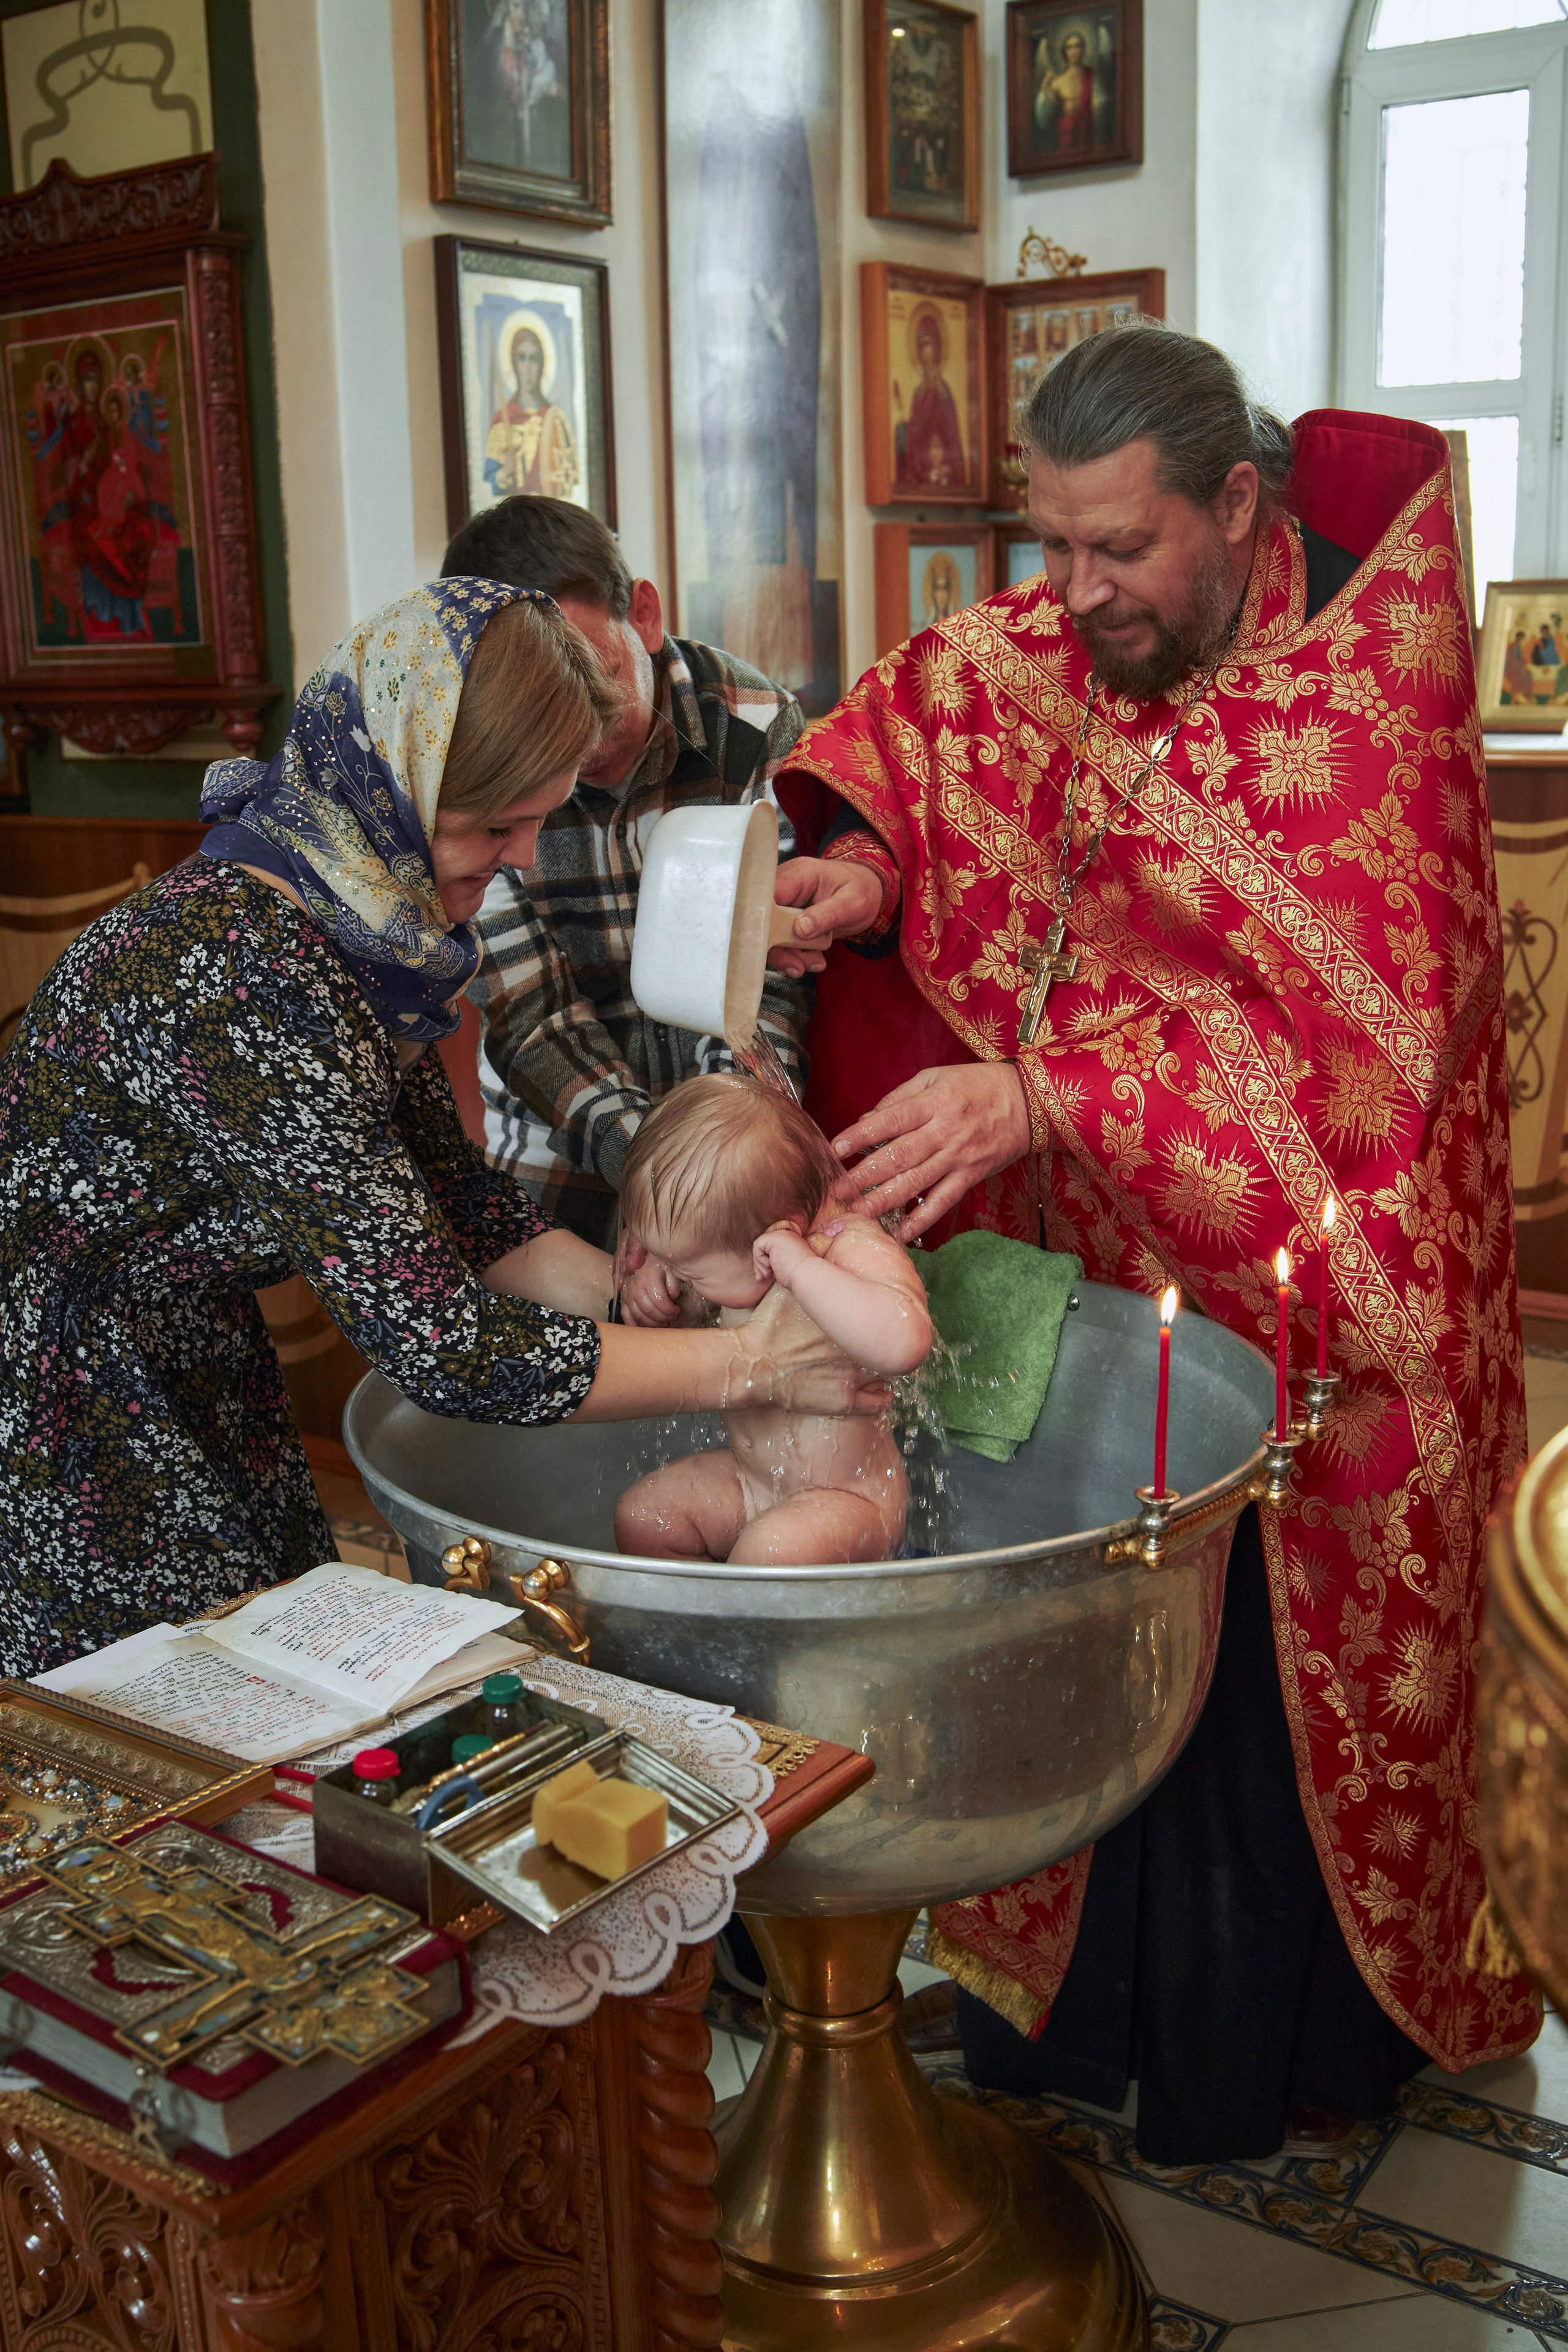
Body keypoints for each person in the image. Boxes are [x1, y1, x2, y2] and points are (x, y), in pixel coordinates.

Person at [767, 323, 1539, 2161]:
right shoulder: (1068, 634)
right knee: (1084, 1629)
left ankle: (1265, 2057)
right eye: (1050, 544)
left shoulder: (1373, 704)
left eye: (1119, 548)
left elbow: (1367, 1067)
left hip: (1329, 1315)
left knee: (1260, 1703)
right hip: (1102, 1291)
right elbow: (936, 716)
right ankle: (1060, 2025)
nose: (1076, 591)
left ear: (1237, 506)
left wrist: (1044, 1101)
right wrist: (870, 870)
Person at [0, 581, 884, 1680]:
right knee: (153, 1751)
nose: (520, 858)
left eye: (540, 820)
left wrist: (674, 1286)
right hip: (75, 1412)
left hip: (198, 1367)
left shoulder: (359, 930)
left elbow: (471, 1224)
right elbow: (444, 1345)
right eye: (494, 825)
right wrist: (745, 1366)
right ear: (396, 786)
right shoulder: (249, 971)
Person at [441, 494, 812, 1253]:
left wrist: (714, 1173)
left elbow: (759, 981)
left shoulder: (755, 725)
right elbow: (533, 1018)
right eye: (543, 698)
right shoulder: (477, 762)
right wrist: (655, 1173)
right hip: (557, 1143)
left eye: (596, 677)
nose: (574, 728)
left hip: (735, 1135)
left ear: (642, 614)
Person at [613, 1076, 929, 1565]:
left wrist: (803, 1270)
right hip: (753, 1482)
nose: (676, 1277)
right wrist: (657, 1307)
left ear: (773, 1239)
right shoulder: (736, 1257)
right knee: (645, 1517)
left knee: (769, 1552)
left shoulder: (847, 1246)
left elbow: (904, 1342)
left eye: (687, 1270)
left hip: (851, 1502)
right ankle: (703, 1632)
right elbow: (692, 1351)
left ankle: (747, 1631)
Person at [484, 323, 579, 503]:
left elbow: (568, 478)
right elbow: (488, 481)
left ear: (542, 364)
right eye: (522, 358)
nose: (528, 368)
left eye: (534, 359)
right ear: (514, 363)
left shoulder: (554, 419)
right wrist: (504, 473)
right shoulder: (503, 419)